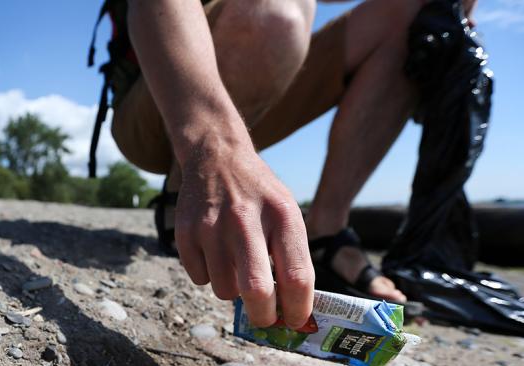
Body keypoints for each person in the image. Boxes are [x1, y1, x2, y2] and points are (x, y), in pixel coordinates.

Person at [96, 0, 477, 328]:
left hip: (255, 82)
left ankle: (326, 232)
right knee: (277, 10)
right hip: (159, 98)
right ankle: (185, 192)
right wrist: (213, 146)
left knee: (413, 14)